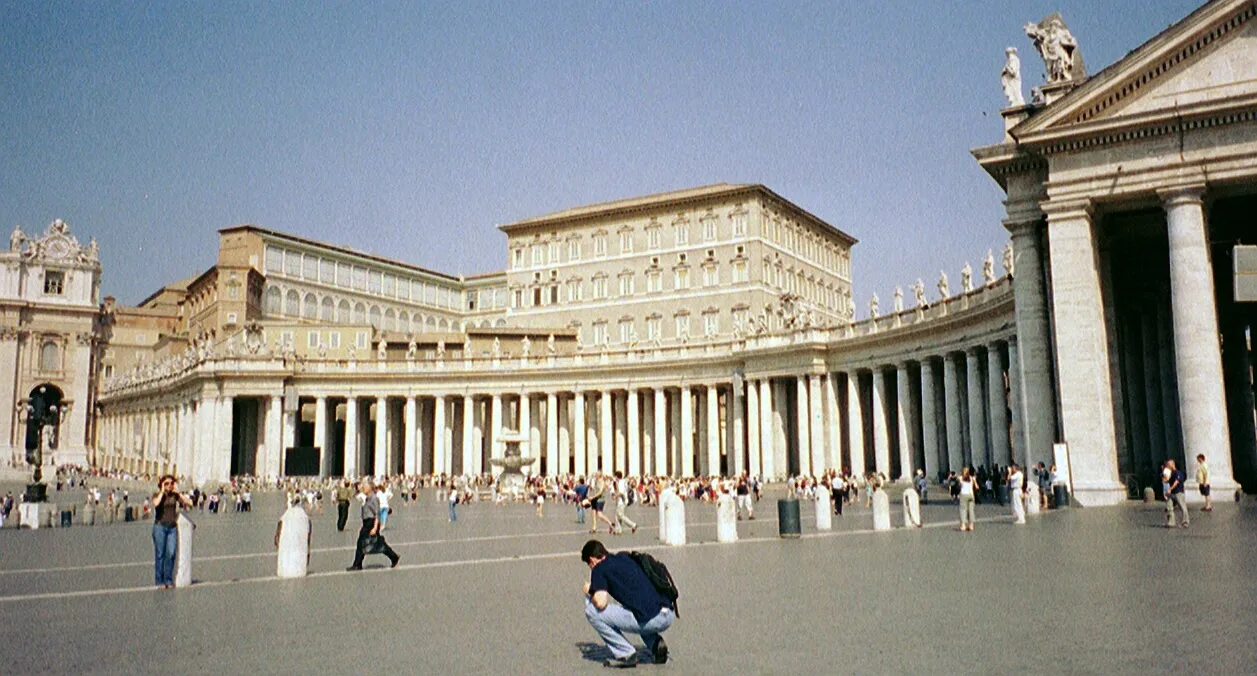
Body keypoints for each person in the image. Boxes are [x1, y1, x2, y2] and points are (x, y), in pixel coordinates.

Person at [581, 539, 674, 668]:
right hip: (667, 612)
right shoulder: (624, 557)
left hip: (653, 620)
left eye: (589, 564)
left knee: (591, 612)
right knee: (634, 607)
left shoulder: (599, 568)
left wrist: (590, 590)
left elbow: (601, 602)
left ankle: (626, 654)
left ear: (592, 560)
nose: (590, 567)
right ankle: (656, 644)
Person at [347, 480, 400, 570]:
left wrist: (375, 528)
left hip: (371, 523)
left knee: (362, 542)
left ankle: (357, 564)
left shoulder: (374, 498)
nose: (363, 488)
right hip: (367, 522)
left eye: (365, 487)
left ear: (370, 488)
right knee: (377, 543)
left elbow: (377, 513)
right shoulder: (367, 498)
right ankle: (393, 557)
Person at [150, 475, 191, 589]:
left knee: (171, 553)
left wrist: (179, 493)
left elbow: (189, 503)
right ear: (162, 484)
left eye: (171, 483)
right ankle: (159, 581)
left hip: (172, 527)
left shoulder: (175, 495)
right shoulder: (157, 494)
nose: (169, 485)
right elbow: (156, 504)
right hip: (159, 526)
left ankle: (168, 579)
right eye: (166, 483)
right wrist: (162, 491)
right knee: (160, 554)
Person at [1165, 459, 1189, 528]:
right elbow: (1169, 481)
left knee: (1182, 507)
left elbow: (1176, 482)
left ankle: (1185, 522)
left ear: (1173, 464)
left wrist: (1170, 489)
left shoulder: (1177, 473)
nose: (1167, 466)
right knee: (1169, 507)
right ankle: (1171, 522)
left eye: (1168, 464)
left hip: (1178, 492)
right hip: (1172, 493)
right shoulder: (1171, 473)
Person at [957, 467, 977, 532]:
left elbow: (958, 484)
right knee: (971, 510)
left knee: (963, 510)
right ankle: (971, 525)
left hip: (963, 495)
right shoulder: (972, 478)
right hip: (971, 495)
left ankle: (963, 525)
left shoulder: (960, 478)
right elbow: (977, 487)